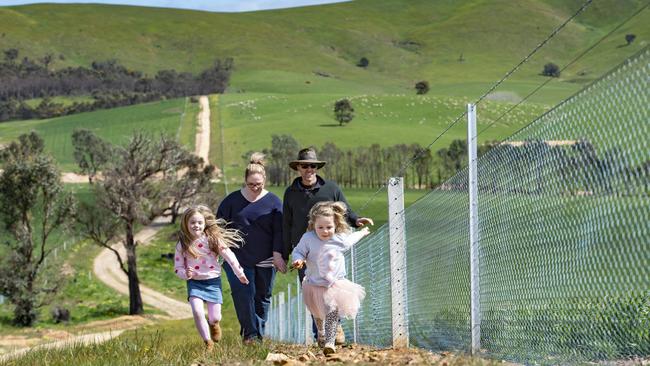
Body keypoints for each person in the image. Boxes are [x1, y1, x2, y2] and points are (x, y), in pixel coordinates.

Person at [282, 147, 373, 344]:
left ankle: (333, 330)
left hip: (329, 251)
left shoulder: (331, 189)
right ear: (298, 167)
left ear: (317, 168)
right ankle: (320, 335)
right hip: (305, 254)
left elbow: (345, 209)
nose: (309, 170)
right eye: (305, 166)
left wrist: (356, 221)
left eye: (313, 166)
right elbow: (286, 223)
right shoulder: (290, 193)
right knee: (315, 295)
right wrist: (285, 253)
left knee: (332, 292)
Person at [217, 152, 285, 344]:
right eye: (251, 184)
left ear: (265, 180)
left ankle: (258, 334)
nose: (255, 188)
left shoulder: (273, 202)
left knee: (262, 297)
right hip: (236, 259)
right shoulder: (231, 201)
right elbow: (218, 229)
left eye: (259, 184)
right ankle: (250, 335)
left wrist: (278, 255)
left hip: (266, 258)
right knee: (243, 295)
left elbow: (279, 231)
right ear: (244, 181)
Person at [291, 201, 370, 355]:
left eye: (329, 227)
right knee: (318, 314)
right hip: (314, 284)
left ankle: (330, 342)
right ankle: (321, 333)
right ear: (313, 224)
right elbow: (298, 251)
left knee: (332, 310)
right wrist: (298, 259)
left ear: (335, 225)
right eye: (320, 227)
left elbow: (350, 239)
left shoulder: (339, 238)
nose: (325, 231)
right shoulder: (308, 238)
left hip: (335, 284)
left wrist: (362, 232)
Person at [174, 205, 249, 351]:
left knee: (215, 317)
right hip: (194, 283)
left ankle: (214, 324)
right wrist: (186, 274)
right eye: (192, 223)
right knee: (197, 311)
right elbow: (178, 267)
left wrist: (239, 273)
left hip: (213, 282)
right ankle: (208, 342)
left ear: (204, 224)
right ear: (186, 224)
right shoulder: (182, 244)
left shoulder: (213, 240)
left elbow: (229, 256)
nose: (196, 225)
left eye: (199, 223)